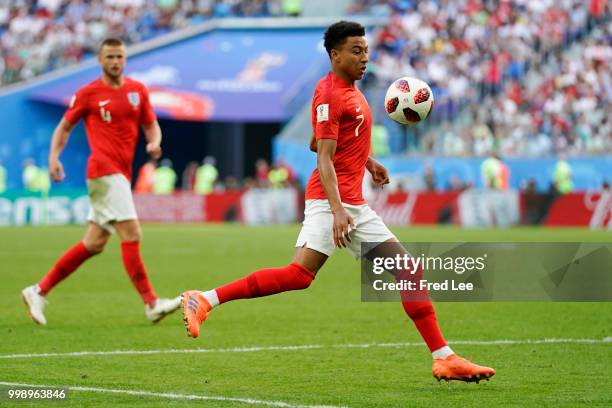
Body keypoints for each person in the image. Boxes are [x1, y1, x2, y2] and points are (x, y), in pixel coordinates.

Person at [181, 21, 495, 382]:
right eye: (356, 51)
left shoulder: (348, 90)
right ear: (335, 55)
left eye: (366, 50)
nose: (365, 58)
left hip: (352, 203)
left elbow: (322, 141)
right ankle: (204, 299)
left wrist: (369, 162)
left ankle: (444, 357)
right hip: (332, 202)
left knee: (408, 271)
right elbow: (323, 158)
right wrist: (337, 210)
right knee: (299, 275)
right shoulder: (332, 94)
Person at [21, 38, 181, 326]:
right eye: (110, 57)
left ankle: (38, 290)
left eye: (119, 56)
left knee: (93, 243)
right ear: (100, 60)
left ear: (125, 58)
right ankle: (151, 303)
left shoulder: (137, 90)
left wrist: (155, 142)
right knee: (132, 234)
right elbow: (64, 126)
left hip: (121, 173)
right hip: (104, 171)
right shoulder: (88, 93)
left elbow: (150, 124)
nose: (115, 62)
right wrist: (54, 157)